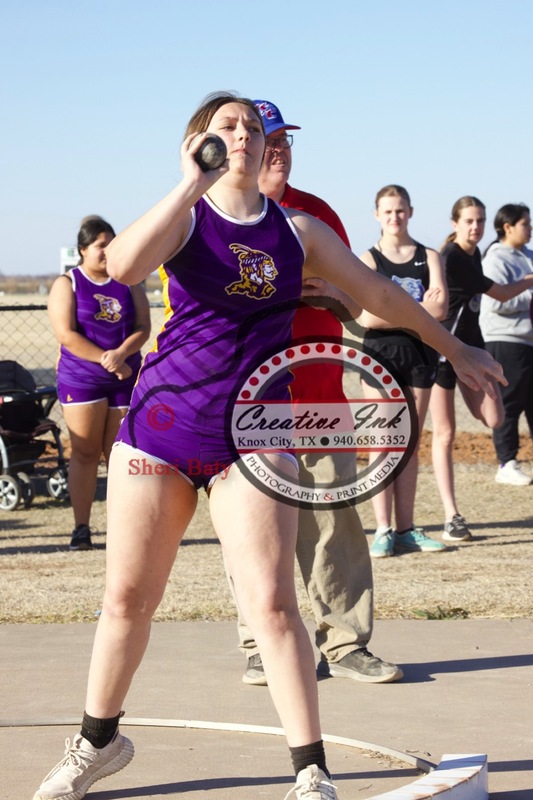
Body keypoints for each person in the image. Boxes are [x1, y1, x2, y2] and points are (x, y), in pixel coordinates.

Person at [33, 92, 505, 800]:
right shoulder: (187, 216)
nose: (244, 136)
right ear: (198, 141)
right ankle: (97, 743)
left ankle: (310, 770)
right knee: (127, 597)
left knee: (272, 602)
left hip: (253, 432)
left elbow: (377, 291)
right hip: (161, 430)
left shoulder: (299, 231)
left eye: (254, 127)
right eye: (227, 126)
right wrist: (189, 178)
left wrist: (456, 348)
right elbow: (125, 266)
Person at [230, 99, 402, 688]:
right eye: (266, 138)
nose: (277, 150)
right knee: (256, 527)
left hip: (322, 391)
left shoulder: (317, 212)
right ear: (241, 146)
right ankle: (258, 644)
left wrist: (320, 290)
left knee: (334, 520)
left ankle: (347, 642)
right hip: (254, 399)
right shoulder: (220, 216)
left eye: (285, 141)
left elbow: (357, 301)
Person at [430, 197, 533, 539]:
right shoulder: (452, 258)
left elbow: (498, 294)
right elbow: (499, 295)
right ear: (454, 223)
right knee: (444, 434)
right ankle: (452, 516)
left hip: (471, 353)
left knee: (495, 417)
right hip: (444, 353)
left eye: (480, 221)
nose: (475, 227)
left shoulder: (474, 256)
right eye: (469, 221)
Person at [47, 215, 150, 550]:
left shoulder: (129, 280)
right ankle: (81, 528)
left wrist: (121, 354)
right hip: (83, 379)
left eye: (111, 244)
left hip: (123, 376)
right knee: (86, 452)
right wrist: (106, 359)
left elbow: (143, 327)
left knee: (119, 454)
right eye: (100, 245)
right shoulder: (68, 283)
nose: (107, 251)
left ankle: (123, 531)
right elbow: (65, 334)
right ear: (83, 250)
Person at [358, 185, 448, 558]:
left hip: (420, 357)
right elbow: (366, 316)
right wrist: (417, 309)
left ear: (410, 212)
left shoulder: (429, 257)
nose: (394, 217)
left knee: (408, 445)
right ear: (377, 214)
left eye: (400, 211)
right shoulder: (369, 259)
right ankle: (383, 529)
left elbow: (441, 309)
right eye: (387, 211)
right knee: (383, 444)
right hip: (379, 359)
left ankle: (407, 529)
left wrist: (397, 313)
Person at [480, 203, 533, 485]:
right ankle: (506, 462)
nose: (531, 228)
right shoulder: (495, 260)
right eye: (526, 223)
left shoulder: (529, 256)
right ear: (508, 227)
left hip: (529, 341)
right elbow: (496, 301)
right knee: (509, 402)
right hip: (506, 339)